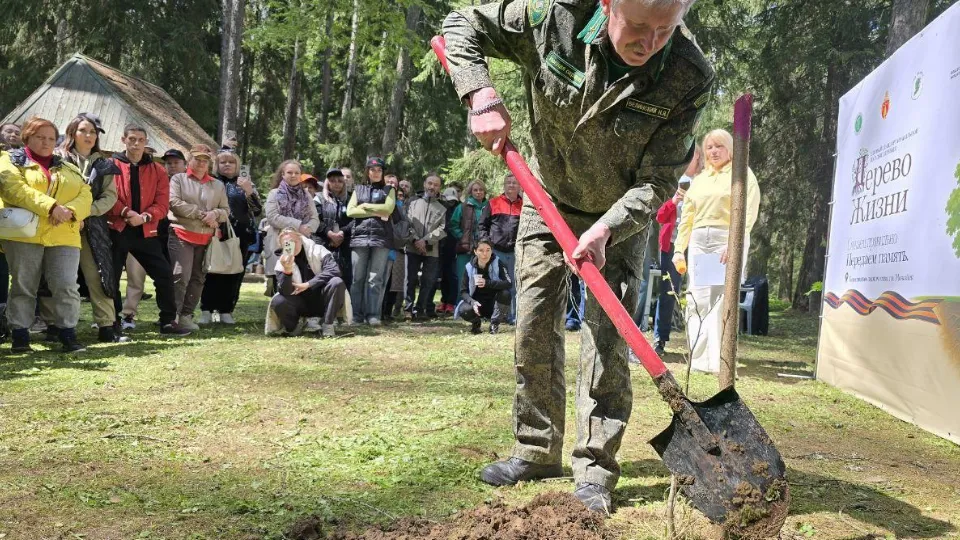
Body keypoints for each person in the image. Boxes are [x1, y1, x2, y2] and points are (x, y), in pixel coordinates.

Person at [442, 0, 714, 512]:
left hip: (621, 216)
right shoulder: (554, 20)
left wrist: (609, 226)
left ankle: (595, 469)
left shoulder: (687, 73)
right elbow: (462, 22)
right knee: (534, 326)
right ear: (607, 4)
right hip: (546, 201)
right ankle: (536, 447)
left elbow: (658, 181)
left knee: (606, 342)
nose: (649, 42)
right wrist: (479, 91)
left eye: (664, 29)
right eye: (637, 27)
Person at [0, 117, 92, 352]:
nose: (47, 142)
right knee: (23, 285)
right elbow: (15, 190)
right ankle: (20, 336)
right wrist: (51, 207)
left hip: (64, 235)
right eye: (40, 137)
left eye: (51, 138)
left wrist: (69, 211)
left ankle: (67, 333)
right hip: (24, 235)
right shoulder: (9, 160)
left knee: (66, 285)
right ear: (27, 137)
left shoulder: (67, 166)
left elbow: (85, 193)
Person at [673, 129, 760, 373]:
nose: (713, 151)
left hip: (726, 241)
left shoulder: (742, 175)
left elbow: (748, 212)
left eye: (719, 146)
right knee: (698, 299)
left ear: (730, 148)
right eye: (709, 147)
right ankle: (699, 361)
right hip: (700, 242)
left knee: (723, 299)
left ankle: (719, 361)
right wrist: (679, 249)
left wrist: (734, 243)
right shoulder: (698, 180)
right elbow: (687, 218)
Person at [108, 125, 191, 336]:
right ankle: (112, 321)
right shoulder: (111, 165)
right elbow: (106, 197)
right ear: (123, 139)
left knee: (163, 274)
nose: (136, 143)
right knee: (112, 277)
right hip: (118, 228)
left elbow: (162, 204)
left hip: (145, 231)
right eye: (132, 139)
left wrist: (144, 217)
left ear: (146, 142)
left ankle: (167, 322)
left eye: (140, 139)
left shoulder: (158, 170)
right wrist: (126, 213)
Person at [54, 113, 129, 343]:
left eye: (93, 132)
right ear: (72, 132)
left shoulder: (104, 164)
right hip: (60, 222)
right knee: (57, 275)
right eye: (83, 131)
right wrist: (68, 213)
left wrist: (83, 213)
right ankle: (53, 325)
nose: (88, 136)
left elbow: (110, 197)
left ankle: (106, 325)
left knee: (99, 274)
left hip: (93, 225)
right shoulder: (58, 158)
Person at [166, 144, 230, 331]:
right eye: (197, 159)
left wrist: (216, 214)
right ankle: (173, 316)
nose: (201, 163)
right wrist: (202, 214)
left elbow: (226, 210)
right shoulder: (178, 179)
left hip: (206, 239)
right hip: (181, 234)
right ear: (189, 161)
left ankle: (186, 315)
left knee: (198, 279)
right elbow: (174, 202)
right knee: (180, 277)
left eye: (205, 160)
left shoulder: (217, 184)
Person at [120, 148, 185, 329]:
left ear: (184, 164)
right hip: (145, 230)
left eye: (176, 162)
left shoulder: (184, 182)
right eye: (169, 163)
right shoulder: (151, 174)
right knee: (135, 277)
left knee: (169, 277)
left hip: (172, 236)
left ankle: (171, 318)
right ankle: (127, 315)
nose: (172, 166)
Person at [199, 150, 262, 325]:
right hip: (214, 232)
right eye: (223, 162)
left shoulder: (245, 184)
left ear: (237, 165)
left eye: (231, 162)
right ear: (216, 165)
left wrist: (248, 191)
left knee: (234, 273)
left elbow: (257, 211)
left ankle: (226, 310)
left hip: (241, 234)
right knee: (211, 270)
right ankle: (206, 309)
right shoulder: (210, 182)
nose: (227, 165)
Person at [652, 146, 701, 355]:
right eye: (690, 156)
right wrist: (673, 202)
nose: (693, 159)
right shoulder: (673, 182)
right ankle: (660, 340)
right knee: (668, 291)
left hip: (697, 245)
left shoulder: (705, 183)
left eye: (696, 156)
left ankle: (699, 344)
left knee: (698, 292)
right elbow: (660, 217)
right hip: (672, 247)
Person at [265, 228, 345, 337]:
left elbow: (334, 270)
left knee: (337, 282)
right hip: (300, 303)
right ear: (282, 246)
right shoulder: (281, 262)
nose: (292, 245)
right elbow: (285, 291)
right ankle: (293, 327)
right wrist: (287, 271)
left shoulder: (318, 250)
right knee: (278, 300)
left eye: (295, 241)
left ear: (301, 239)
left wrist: (308, 284)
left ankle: (328, 324)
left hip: (322, 299)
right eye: (288, 243)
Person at [346, 157, 395, 326]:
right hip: (359, 239)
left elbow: (388, 209)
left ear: (382, 173)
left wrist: (365, 206)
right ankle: (356, 315)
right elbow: (351, 212)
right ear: (367, 171)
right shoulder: (358, 189)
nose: (376, 173)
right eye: (372, 170)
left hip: (381, 239)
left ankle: (373, 315)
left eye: (379, 170)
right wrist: (376, 211)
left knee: (375, 279)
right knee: (357, 278)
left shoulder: (389, 189)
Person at [263, 160, 320, 304]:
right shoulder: (274, 194)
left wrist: (307, 229)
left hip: (302, 242)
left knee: (301, 276)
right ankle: (281, 312)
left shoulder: (306, 195)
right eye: (289, 172)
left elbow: (315, 219)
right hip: (281, 241)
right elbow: (272, 217)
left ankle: (301, 312)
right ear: (282, 174)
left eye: (296, 173)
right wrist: (298, 225)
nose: (293, 175)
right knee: (283, 275)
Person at [479, 173, 522, 324]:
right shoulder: (493, 203)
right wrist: (486, 243)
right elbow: (482, 226)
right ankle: (493, 315)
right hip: (496, 250)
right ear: (504, 185)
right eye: (508, 182)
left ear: (520, 186)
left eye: (514, 182)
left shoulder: (524, 205)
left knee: (515, 286)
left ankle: (513, 316)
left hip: (516, 252)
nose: (511, 185)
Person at [404, 173, 447, 320]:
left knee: (428, 281)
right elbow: (407, 223)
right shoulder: (413, 203)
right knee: (410, 280)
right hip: (412, 247)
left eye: (435, 185)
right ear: (424, 184)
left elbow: (442, 228)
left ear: (439, 187)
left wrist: (426, 241)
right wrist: (416, 240)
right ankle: (408, 310)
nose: (432, 187)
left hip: (431, 249)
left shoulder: (442, 208)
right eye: (430, 183)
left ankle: (420, 309)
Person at [455, 240, 511, 334]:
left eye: (488, 250)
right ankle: (476, 324)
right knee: (463, 309)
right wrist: (472, 302)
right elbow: (463, 292)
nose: (485, 254)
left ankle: (494, 324)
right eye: (481, 250)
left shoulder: (498, 263)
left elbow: (508, 283)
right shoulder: (469, 267)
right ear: (475, 251)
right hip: (477, 305)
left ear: (491, 251)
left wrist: (487, 283)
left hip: (494, 305)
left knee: (505, 294)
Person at [315, 168, 353, 291]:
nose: (336, 183)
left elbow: (355, 220)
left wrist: (342, 233)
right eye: (332, 181)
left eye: (339, 181)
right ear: (327, 182)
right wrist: (329, 233)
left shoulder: (351, 199)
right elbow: (315, 219)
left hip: (344, 244)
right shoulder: (318, 198)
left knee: (344, 277)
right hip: (322, 242)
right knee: (322, 275)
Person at [450, 180, 488, 300]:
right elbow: (453, 225)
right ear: (470, 192)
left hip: (483, 250)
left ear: (484, 191)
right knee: (463, 279)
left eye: (481, 190)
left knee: (480, 279)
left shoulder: (489, 206)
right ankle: (461, 307)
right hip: (465, 249)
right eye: (475, 190)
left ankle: (479, 308)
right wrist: (463, 237)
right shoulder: (462, 206)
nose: (478, 192)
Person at [381, 174, 405, 321]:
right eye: (388, 182)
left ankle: (387, 312)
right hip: (381, 246)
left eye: (394, 183)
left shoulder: (401, 205)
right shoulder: (377, 199)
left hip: (396, 249)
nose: (391, 185)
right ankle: (376, 310)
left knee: (392, 283)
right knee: (379, 281)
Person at [436, 185, 462, 314]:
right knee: (443, 276)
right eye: (448, 200)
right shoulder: (440, 208)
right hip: (441, 246)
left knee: (453, 275)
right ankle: (444, 301)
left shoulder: (460, 208)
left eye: (453, 201)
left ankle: (451, 302)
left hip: (455, 246)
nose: (450, 203)